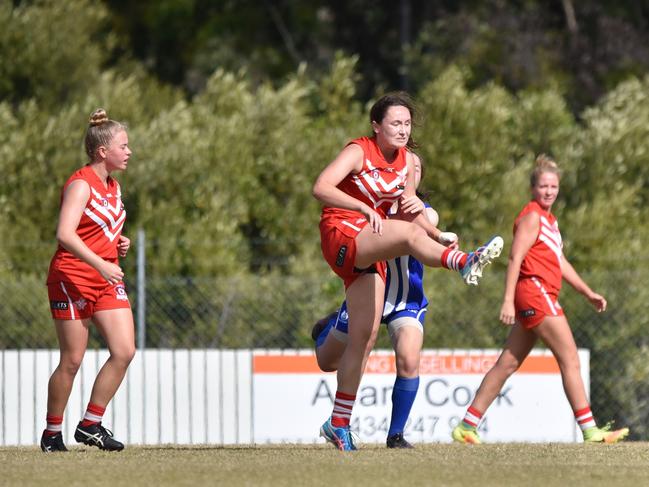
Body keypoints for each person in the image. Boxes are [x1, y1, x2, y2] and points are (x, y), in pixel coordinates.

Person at [312, 91, 504, 450]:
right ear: (376, 125)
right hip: (341, 232)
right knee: (408, 235)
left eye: (407, 123)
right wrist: (363, 208)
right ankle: (463, 262)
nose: (402, 129)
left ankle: (338, 423)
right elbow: (320, 187)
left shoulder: (407, 162)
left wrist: (436, 232)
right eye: (395, 123)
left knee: (363, 340)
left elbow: (411, 213)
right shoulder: (359, 151)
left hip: (371, 248)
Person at [451, 155, 629, 444]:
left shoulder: (550, 221)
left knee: (507, 364)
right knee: (569, 357)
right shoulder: (532, 217)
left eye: (554, 186)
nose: (549, 191)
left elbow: (559, 261)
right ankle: (590, 430)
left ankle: (466, 427)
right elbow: (514, 258)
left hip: (536, 294)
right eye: (543, 186)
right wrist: (507, 300)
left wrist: (587, 292)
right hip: (534, 292)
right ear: (533, 188)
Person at [313, 157, 453, 449]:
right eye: (404, 170)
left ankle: (396, 435)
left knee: (409, 359)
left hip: (406, 300)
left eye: (414, 172)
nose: (407, 174)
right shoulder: (371, 207)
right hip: (369, 295)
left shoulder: (426, 213)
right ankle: (329, 325)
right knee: (326, 361)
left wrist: (434, 232)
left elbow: (424, 224)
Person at [41, 108, 135, 452]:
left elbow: (102, 228)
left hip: (105, 275)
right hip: (73, 276)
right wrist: (101, 262)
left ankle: (90, 424)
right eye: (123, 146)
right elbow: (65, 234)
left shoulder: (114, 186)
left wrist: (120, 243)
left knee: (124, 350)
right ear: (102, 152)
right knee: (72, 359)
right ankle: (52, 433)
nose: (128, 152)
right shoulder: (81, 183)